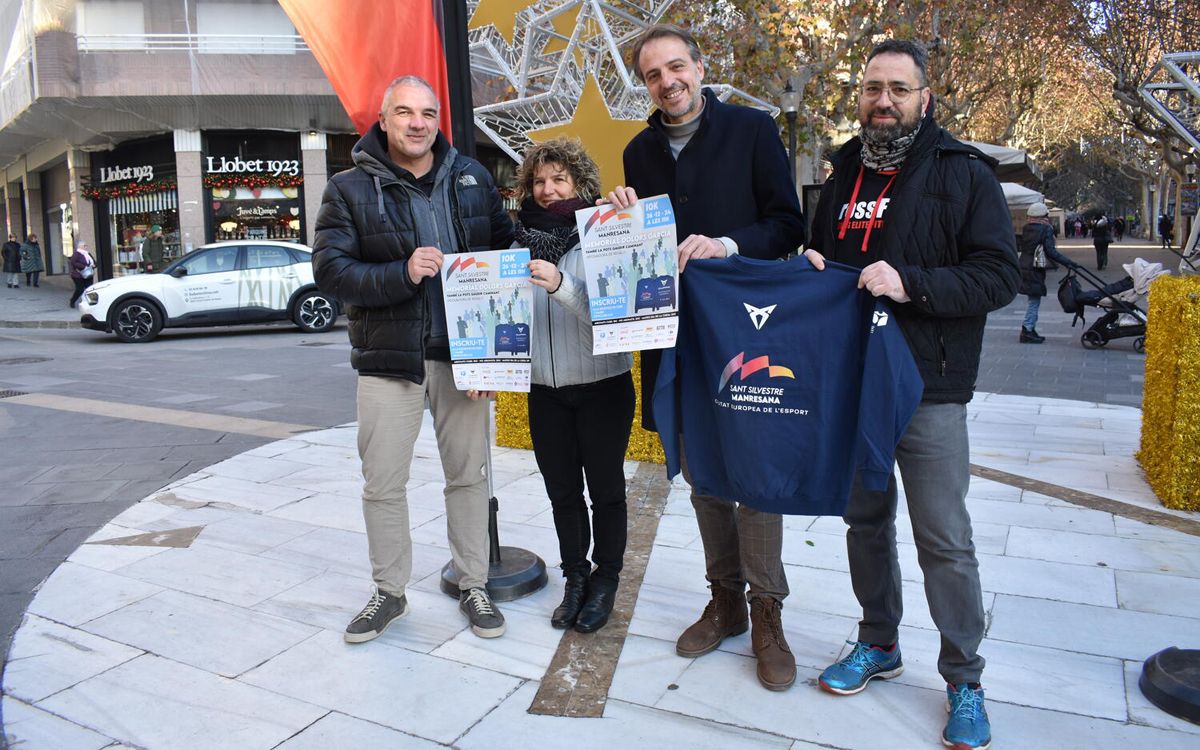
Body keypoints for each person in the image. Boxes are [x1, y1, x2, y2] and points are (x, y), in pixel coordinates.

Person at [804, 39, 1019, 750]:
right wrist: (812, 270)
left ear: (926, 98)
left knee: (944, 540)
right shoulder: (839, 174)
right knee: (864, 523)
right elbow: (830, 265)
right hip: (855, 380)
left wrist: (911, 282)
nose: (883, 101)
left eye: (898, 88)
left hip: (928, 384)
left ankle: (964, 678)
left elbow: (996, 276)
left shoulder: (964, 174)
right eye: (872, 88)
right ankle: (879, 643)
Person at [605, 24, 807, 691]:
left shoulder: (752, 132)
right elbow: (641, 252)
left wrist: (726, 242)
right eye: (653, 75)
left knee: (755, 478)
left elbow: (787, 224)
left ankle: (766, 610)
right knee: (704, 479)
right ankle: (724, 602)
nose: (668, 82)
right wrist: (620, 220)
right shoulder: (638, 152)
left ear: (699, 65)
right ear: (646, 85)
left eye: (676, 67)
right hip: (673, 340)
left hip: (746, 337)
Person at [312, 75, 514, 643]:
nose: (418, 122)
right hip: (389, 361)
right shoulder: (348, 189)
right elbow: (330, 273)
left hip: (465, 356)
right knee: (382, 483)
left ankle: (474, 584)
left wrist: (496, 356)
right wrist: (401, 273)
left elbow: (510, 250)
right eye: (405, 112)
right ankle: (389, 592)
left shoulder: (473, 179)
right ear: (384, 120)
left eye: (427, 112)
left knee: (468, 477)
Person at [517, 137, 635, 633]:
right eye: (539, 181)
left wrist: (561, 286)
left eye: (559, 179)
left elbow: (618, 316)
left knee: (606, 491)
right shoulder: (512, 242)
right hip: (545, 392)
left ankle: (606, 579)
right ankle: (575, 577)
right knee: (562, 493)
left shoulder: (606, 233)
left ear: (581, 183)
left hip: (602, 385)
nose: (548, 190)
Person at [1018, 202, 1074, 343]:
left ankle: (1030, 328)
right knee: (1034, 301)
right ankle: (1027, 329)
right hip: (1035, 269)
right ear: (1044, 216)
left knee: (1033, 299)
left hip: (1024, 266)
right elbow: (1051, 251)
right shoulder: (1045, 230)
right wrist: (1068, 262)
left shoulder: (1026, 228)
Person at [68, 242, 96, 307]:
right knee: (80, 289)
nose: (86, 247)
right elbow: (73, 262)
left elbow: (94, 261)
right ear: (80, 246)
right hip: (78, 275)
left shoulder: (88, 254)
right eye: (84, 245)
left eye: (86, 245)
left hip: (88, 274)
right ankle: (72, 300)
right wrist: (84, 267)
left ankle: (89, 302)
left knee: (89, 289)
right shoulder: (76, 254)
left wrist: (94, 265)